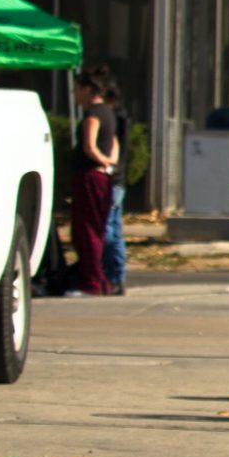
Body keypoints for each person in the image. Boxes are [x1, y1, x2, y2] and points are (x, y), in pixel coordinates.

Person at [69, 73, 120, 296]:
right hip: (104, 178)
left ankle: (91, 283)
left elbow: (89, 146)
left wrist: (101, 160)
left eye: (77, 89)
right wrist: (111, 162)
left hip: (90, 176)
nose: (74, 94)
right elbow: (114, 143)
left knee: (86, 231)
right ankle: (101, 280)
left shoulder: (92, 115)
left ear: (88, 90)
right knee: (98, 229)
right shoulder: (108, 113)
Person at [90, 67, 129, 295]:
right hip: (117, 178)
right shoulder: (118, 118)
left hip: (113, 178)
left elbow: (114, 147)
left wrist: (108, 164)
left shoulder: (115, 119)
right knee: (114, 229)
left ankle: (113, 275)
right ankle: (117, 276)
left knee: (108, 230)